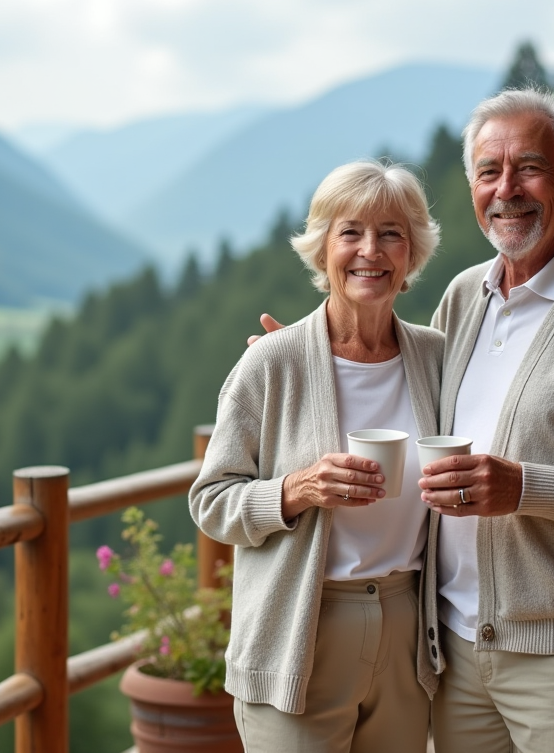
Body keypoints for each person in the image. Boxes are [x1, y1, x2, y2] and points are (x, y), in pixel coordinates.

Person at [253, 89, 554, 753]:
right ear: (471, 187)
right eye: (488, 172)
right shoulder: (465, 296)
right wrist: (301, 358)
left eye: (529, 167)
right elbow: (396, 382)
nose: (507, 189)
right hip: (453, 653)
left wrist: (528, 488)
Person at [190, 159, 445, 753]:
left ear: (411, 254)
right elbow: (210, 502)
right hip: (298, 630)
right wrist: (296, 489)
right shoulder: (270, 363)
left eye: (391, 233)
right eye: (350, 231)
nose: (370, 250)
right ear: (322, 248)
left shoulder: (437, 359)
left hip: (408, 626)